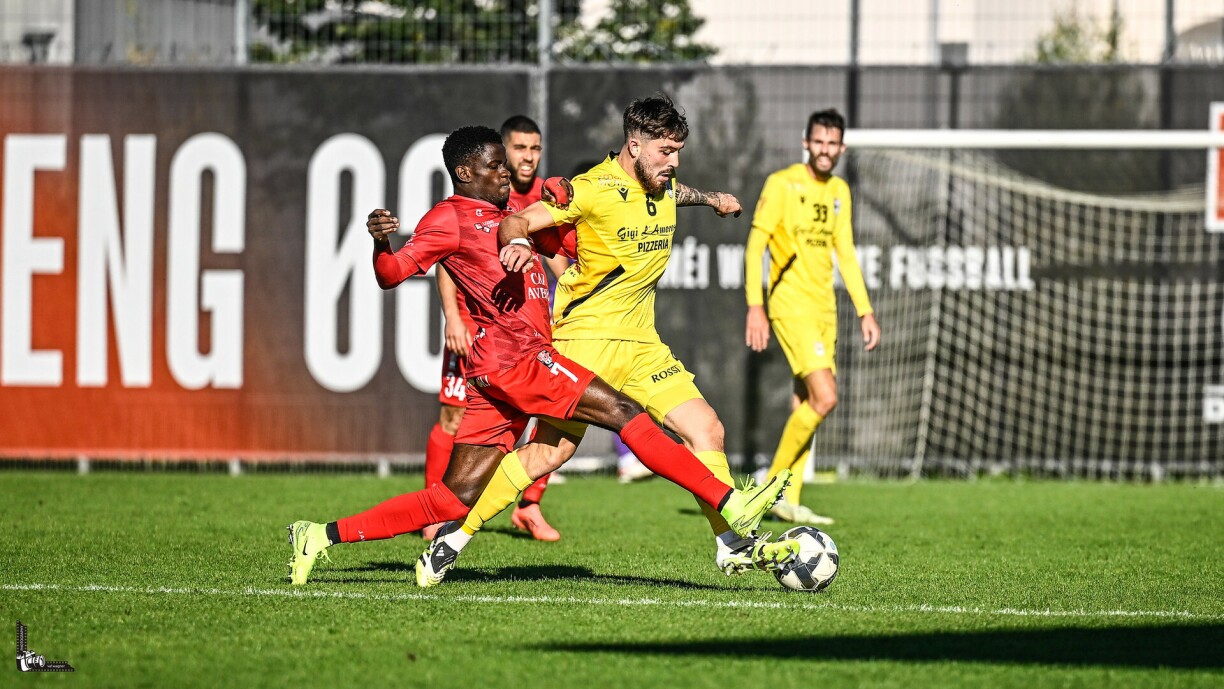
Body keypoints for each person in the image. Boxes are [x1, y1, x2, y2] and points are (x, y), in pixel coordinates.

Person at [287, 125, 791, 586]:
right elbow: (392, 274)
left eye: (506, 164)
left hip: (499, 370)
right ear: (465, 173)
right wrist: (381, 242)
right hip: (516, 360)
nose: (506, 172)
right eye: (495, 165)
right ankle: (730, 503)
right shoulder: (449, 217)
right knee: (624, 412)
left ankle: (320, 535)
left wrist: (561, 211)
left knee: (452, 499)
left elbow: (569, 242)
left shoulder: (509, 212)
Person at [415, 94, 800, 587]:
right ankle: (454, 537)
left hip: (643, 346)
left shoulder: (662, 184)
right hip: (585, 341)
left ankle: (732, 543)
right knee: (548, 454)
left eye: (678, 152)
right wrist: (517, 242)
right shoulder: (591, 188)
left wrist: (712, 199)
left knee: (707, 429)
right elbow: (518, 219)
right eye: (665, 152)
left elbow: (677, 192)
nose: (673, 162)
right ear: (634, 146)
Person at [421, 115, 565, 543]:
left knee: (552, 410)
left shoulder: (543, 198)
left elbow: (557, 260)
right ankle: (433, 513)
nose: (527, 157)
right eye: (519, 148)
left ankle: (529, 505)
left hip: (524, 329)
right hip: (475, 324)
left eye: (535, 148)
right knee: (453, 414)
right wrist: (453, 317)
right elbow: (446, 257)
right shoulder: (477, 194)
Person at [744, 108, 881, 525]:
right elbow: (755, 246)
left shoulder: (839, 190)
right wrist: (755, 305)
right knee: (826, 397)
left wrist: (865, 310)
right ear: (806, 143)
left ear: (841, 148)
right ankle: (770, 487)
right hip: (790, 305)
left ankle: (790, 498)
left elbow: (846, 255)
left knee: (806, 403)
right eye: (818, 141)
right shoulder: (782, 183)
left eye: (832, 143)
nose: (824, 149)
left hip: (825, 310)